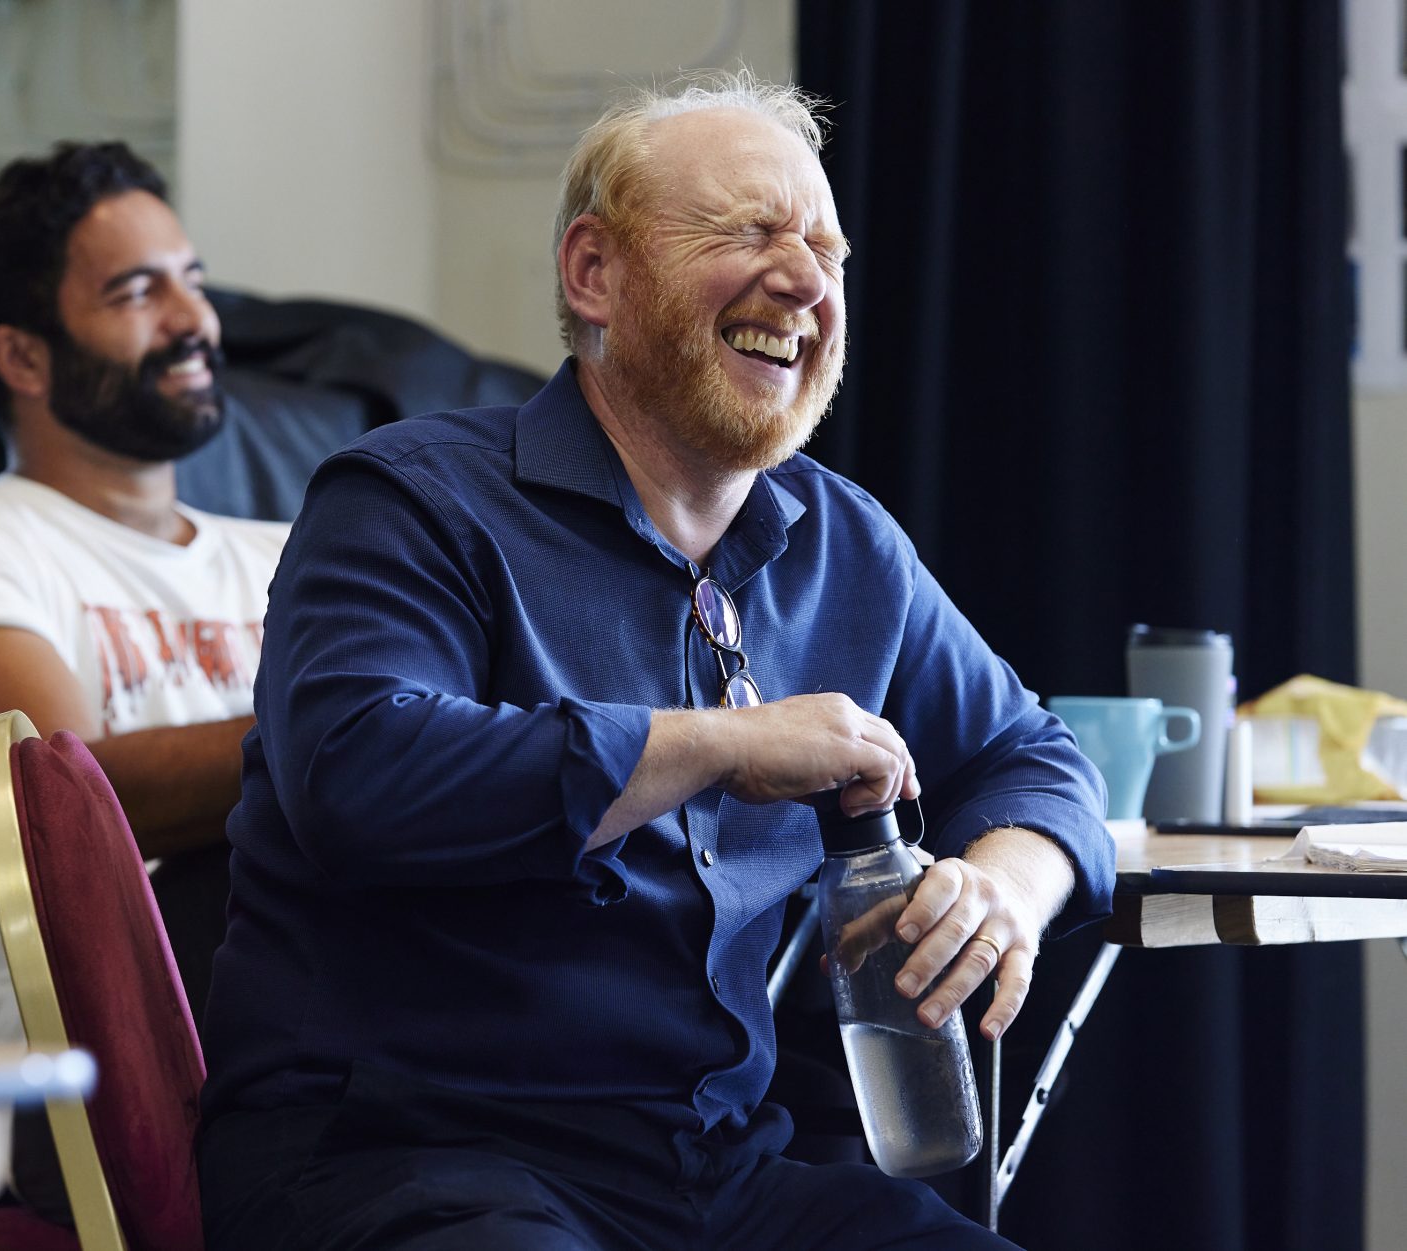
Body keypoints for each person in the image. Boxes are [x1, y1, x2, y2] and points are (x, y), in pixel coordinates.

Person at [197, 73, 1115, 1250]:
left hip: (708, 1176)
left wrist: (1006, 887)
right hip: (403, 1160)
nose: (806, 280)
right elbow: (357, 774)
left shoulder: (844, 543)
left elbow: (1034, 756)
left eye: (828, 251)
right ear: (595, 273)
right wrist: (719, 746)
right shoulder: (407, 498)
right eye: (749, 230)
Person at [0, 142, 287, 1219]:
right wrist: (370, 742)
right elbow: (79, 811)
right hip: (67, 1085)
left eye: (193, 278)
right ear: (22, 358)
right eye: (138, 292)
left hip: (301, 1048)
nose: (195, 321)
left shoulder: (294, 553)